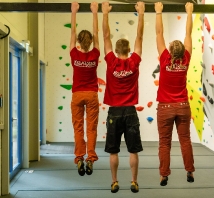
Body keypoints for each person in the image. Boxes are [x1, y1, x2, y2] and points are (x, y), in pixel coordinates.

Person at [101, 1, 145, 193]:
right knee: (133, 150)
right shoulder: (134, 61)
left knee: (113, 150)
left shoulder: (111, 61)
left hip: (114, 112)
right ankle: (134, 181)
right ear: (128, 50)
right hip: (130, 111)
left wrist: (104, 13)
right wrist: (141, 13)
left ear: (116, 51)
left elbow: (104, 36)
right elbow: (140, 36)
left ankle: (114, 181)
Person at [155, 2, 195, 186]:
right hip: (183, 106)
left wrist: (158, 12)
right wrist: (189, 12)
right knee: (185, 140)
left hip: (165, 107)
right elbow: (188, 34)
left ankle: (164, 174)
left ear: (170, 51)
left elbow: (159, 33)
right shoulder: (186, 58)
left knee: (165, 143)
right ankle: (189, 172)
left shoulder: (164, 59)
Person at [70, 1, 100, 176]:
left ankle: (79, 157)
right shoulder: (95, 54)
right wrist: (94, 12)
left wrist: (74, 11)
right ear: (91, 41)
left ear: (79, 42)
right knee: (92, 128)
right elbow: (96, 32)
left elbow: (73, 32)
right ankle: (90, 158)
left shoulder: (74, 53)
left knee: (78, 127)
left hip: (77, 95)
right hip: (92, 94)